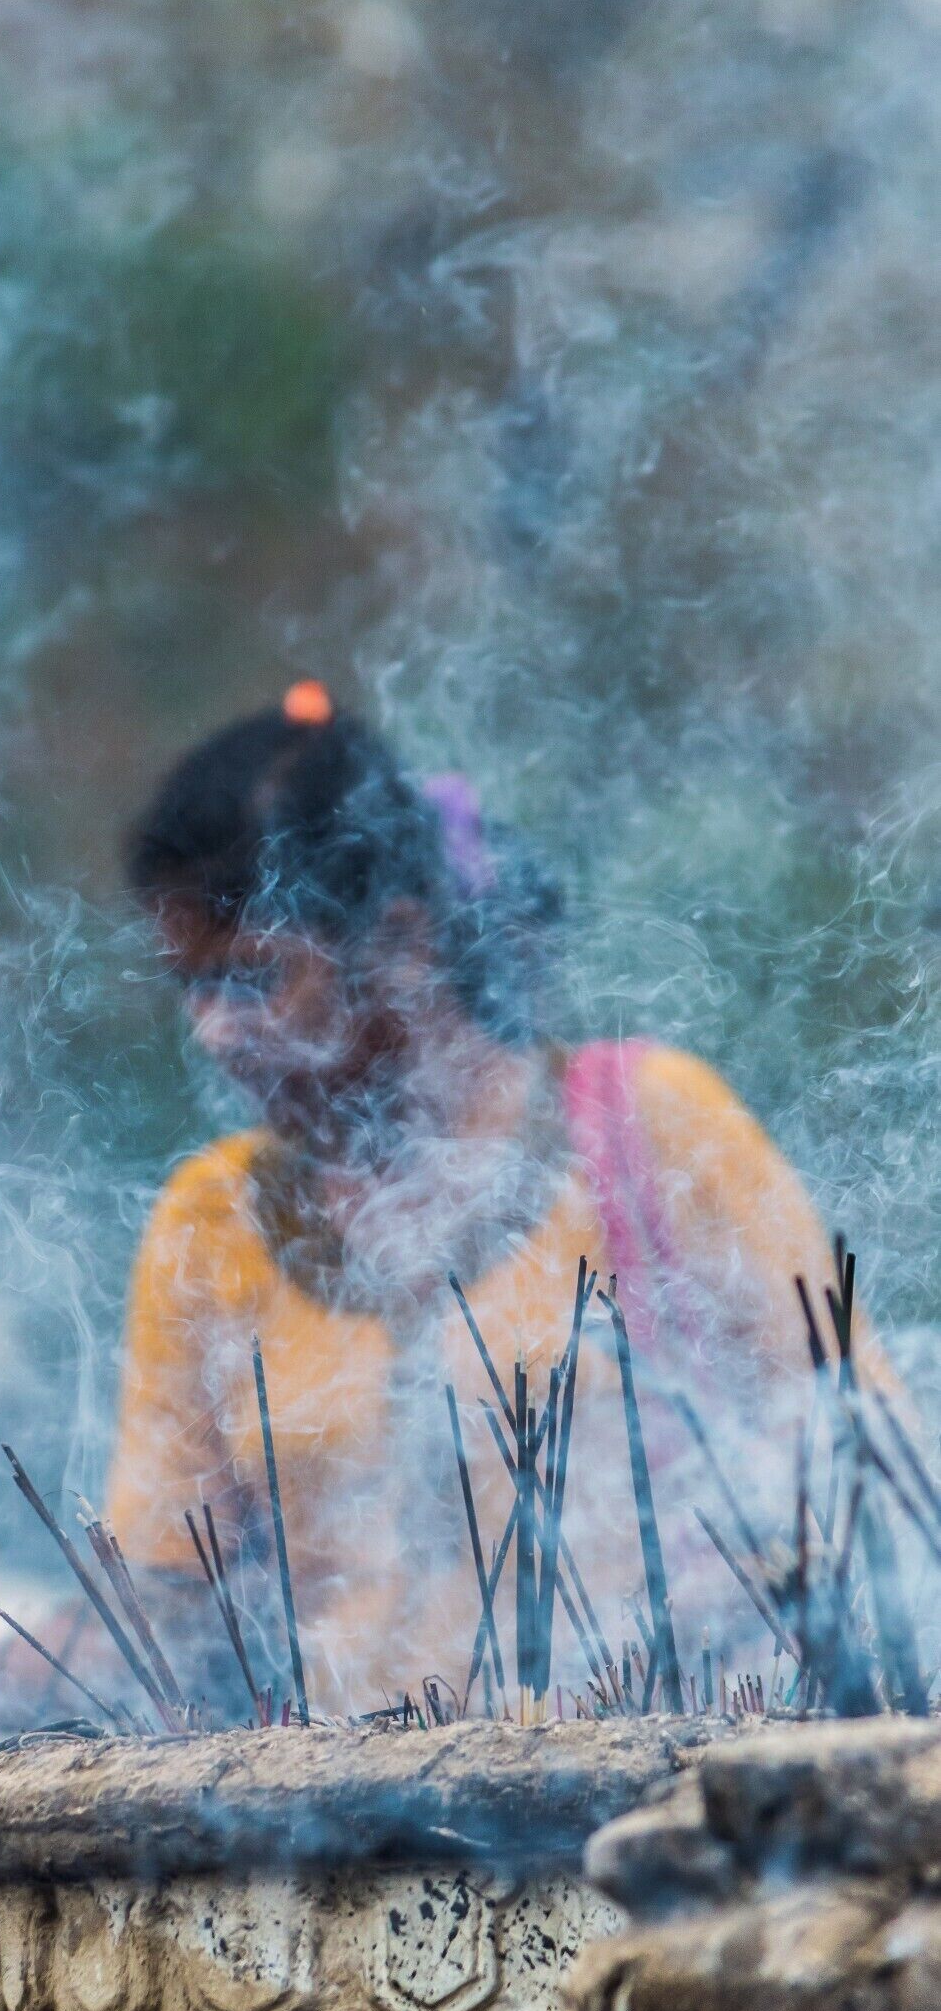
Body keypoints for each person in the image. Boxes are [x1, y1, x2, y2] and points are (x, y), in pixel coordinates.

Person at [107, 682, 871, 1709]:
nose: (213, 1031)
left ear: (399, 944)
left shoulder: (647, 1127)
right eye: (189, 987)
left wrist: (707, 1613)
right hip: (346, 1801)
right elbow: (161, 1605)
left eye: (252, 978)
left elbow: (864, 1464)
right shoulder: (205, 1224)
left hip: (668, 1777)